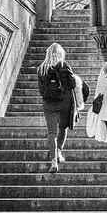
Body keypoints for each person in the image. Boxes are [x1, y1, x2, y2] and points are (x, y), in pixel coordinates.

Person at [35, 42, 83, 174]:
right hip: (64, 102)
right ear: (61, 53)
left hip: (48, 103)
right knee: (63, 127)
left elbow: (40, 89)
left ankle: (53, 160)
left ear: (48, 53)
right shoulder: (64, 66)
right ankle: (59, 153)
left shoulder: (41, 68)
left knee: (51, 132)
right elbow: (72, 84)